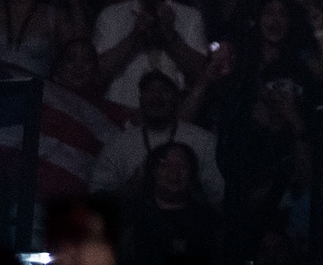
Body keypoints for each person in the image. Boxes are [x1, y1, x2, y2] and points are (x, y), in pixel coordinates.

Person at [93, 0, 208, 111]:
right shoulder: (111, 16)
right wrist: (135, 37)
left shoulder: (190, 18)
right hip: (120, 117)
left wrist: (171, 36)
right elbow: (96, 75)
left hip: (172, 122)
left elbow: (201, 77)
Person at [91, 69, 224, 203]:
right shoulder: (119, 145)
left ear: (177, 98)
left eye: (164, 90)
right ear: (140, 99)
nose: (156, 97)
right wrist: (127, 190)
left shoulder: (203, 141)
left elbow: (219, 195)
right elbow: (97, 195)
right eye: (149, 91)